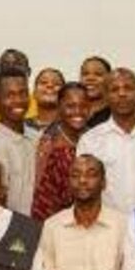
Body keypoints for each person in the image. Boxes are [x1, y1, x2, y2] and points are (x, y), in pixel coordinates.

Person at [77, 69, 135, 214]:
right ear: (106, 96)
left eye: (128, 88)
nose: (122, 94)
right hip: (107, 226)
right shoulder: (91, 139)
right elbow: (85, 186)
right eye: (114, 89)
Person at [0, 67, 39, 216]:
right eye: (10, 95)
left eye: (23, 93)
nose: (18, 101)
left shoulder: (37, 137)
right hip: (15, 233)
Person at [31, 82, 90, 220]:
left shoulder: (96, 139)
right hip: (56, 223)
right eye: (70, 106)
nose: (77, 111)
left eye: (83, 106)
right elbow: (41, 196)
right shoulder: (47, 144)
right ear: (59, 107)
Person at [0, 48, 38, 133]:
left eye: (17, 65)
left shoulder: (41, 101)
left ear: (28, 71)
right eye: (5, 66)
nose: (11, 70)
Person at [78, 56, 113, 128]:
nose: (90, 78)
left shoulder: (117, 113)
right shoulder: (71, 113)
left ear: (110, 79)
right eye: (85, 74)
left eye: (98, 74)